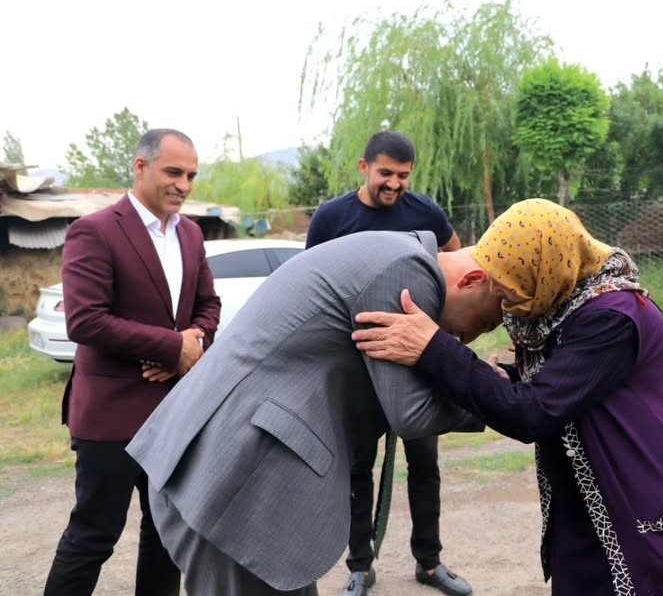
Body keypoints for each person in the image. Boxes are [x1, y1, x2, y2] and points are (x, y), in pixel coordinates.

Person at [353, 199, 663, 596]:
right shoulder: (566, 304)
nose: (508, 307)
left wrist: (434, 349)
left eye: (513, 293)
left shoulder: (613, 315)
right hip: (594, 499)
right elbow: (559, 381)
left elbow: (535, 412)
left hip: (651, 491)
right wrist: (498, 376)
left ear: (547, 272)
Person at [126, 229, 505, 596]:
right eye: (484, 322)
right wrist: (497, 396)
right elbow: (412, 413)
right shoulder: (407, 271)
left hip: (240, 477)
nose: (470, 338)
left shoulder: (396, 249)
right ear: (472, 280)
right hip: (236, 485)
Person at [44, 129, 221, 596]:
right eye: (174, 172)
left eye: (191, 175)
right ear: (140, 167)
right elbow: (85, 321)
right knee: (93, 536)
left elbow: (208, 305)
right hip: (111, 413)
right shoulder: (95, 230)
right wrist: (171, 347)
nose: (184, 184)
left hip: (174, 412)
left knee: (166, 537)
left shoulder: (190, 234)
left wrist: (190, 348)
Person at [305, 130, 469, 596]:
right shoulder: (332, 217)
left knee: (425, 465)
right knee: (358, 468)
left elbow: (456, 263)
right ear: (364, 167)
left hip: (420, 360)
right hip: (359, 363)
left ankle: (430, 563)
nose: (394, 184)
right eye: (385, 174)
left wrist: (444, 332)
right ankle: (360, 565)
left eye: (403, 175)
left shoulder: (426, 213)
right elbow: (312, 280)